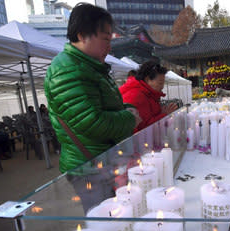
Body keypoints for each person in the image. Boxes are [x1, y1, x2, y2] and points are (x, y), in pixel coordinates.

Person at [44, 3, 140, 212]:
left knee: (116, 215)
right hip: (88, 166)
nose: (109, 46)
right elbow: (92, 122)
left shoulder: (89, 66)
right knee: (105, 221)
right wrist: (130, 118)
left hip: (102, 161)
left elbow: (105, 106)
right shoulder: (67, 69)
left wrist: (127, 109)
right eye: (105, 39)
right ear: (81, 35)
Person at [119, 61, 177, 132]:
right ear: (147, 79)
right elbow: (143, 128)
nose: (162, 87)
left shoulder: (148, 94)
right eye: (160, 83)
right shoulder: (136, 96)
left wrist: (161, 113)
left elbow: (149, 118)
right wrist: (164, 115)